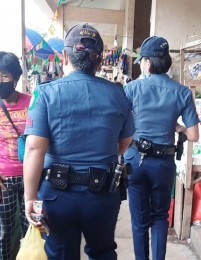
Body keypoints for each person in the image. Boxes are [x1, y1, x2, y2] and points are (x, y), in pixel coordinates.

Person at [23, 23, 135, 260]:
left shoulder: (45, 93)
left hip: (56, 196)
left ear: (64, 56)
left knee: (61, 254)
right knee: (102, 252)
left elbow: (34, 150)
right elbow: (125, 141)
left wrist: (30, 197)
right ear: (99, 60)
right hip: (102, 195)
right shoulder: (117, 93)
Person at [124, 36, 199, 260]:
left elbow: (118, 123)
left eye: (141, 61)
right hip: (163, 164)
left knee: (139, 222)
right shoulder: (182, 92)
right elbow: (194, 135)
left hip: (135, 160)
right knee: (159, 218)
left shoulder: (131, 89)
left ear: (147, 62)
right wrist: (180, 129)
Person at [0, 51, 31, 260]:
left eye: (4, 76)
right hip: (3, 179)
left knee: (30, 230)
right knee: (4, 231)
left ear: (16, 78)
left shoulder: (32, 102)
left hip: (30, 176)